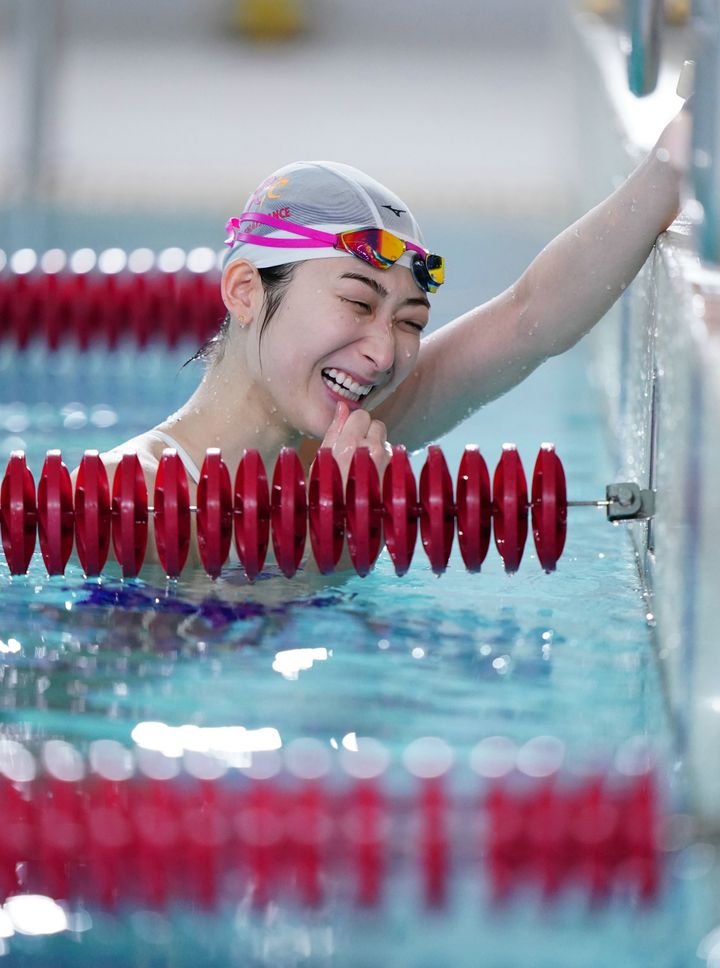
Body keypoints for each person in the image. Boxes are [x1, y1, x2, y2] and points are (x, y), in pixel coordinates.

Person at [95, 103, 690, 567]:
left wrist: (672, 163)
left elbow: (527, 317)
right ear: (246, 290)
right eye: (358, 301)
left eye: (411, 322)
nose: (384, 354)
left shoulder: (339, 445)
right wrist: (336, 525)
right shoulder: (120, 493)